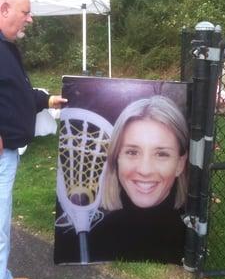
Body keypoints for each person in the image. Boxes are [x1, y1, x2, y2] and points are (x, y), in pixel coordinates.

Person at [54, 95, 189, 265]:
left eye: (161, 154)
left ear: (180, 164)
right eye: (132, 152)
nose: (144, 170)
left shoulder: (190, 241)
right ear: (116, 158)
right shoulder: (96, 238)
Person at [0, 0, 67, 279]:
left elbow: (16, 93)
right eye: (25, 12)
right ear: (4, 9)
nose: (30, 18)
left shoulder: (7, 46)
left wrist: (47, 100)